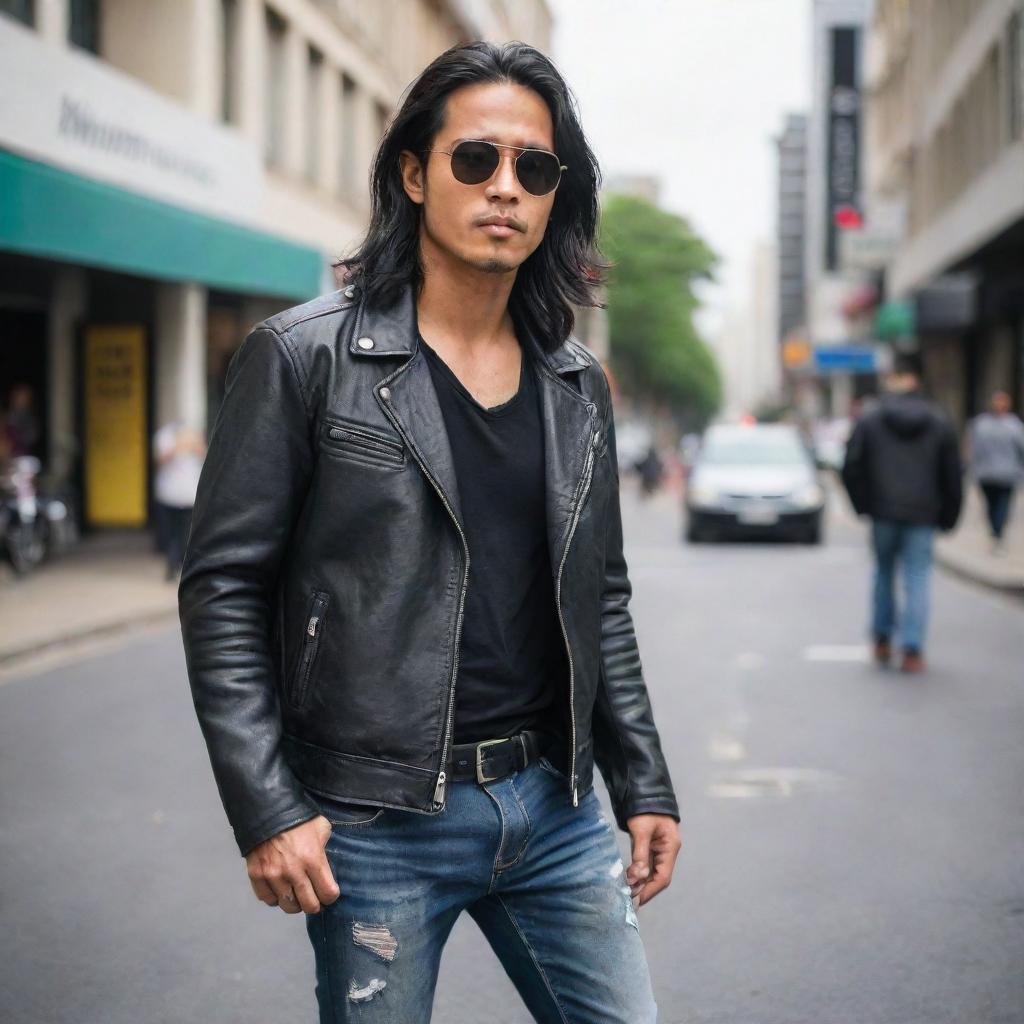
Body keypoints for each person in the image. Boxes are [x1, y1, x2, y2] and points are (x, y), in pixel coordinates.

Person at [178, 40, 681, 1023]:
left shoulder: (574, 382)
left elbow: (601, 597)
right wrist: (269, 807)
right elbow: (223, 588)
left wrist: (642, 779)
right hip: (378, 825)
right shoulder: (303, 357)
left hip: (556, 810)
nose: (505, 189)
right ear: (413, 174)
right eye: (474, 159)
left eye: (534, 169)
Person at [841, 352, 962, 673]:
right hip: (923, 513)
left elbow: (851, 466)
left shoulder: (870, 418)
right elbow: (952, 472)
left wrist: (862, 504)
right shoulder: (938, 419)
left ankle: (882, 638)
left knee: (883, 573)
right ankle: (912, 648)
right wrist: (950, 514)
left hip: (882, 511)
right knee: (918, 578)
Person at [966, 390, 1024, 553]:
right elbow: (974, 450)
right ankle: (995, 532)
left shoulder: (1015, 426)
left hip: (1008, 474)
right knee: (991, 506)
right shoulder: (980, 424)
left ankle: (997, 534)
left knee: (1003, 507)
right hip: (986, 474)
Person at [153, 421, 205, 581]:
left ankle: (181, 566)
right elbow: (161, 459)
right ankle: (173, 565)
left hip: (189, 495)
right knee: (173, 534)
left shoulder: (194, 435)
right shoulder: (164, 436)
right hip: (170, 495)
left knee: (186, 534)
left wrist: (194, 443)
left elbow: (204, 454)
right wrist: (178, 445)